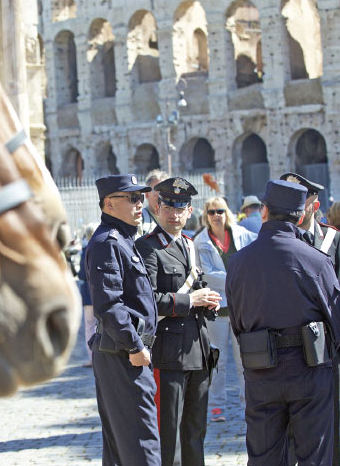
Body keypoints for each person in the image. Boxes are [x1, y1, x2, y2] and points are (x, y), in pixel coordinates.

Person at [226, 179, 340, 465]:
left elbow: (237, 320)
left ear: (264, 212)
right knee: (314, 455)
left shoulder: (239, 261)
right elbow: (337, 321)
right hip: (309, 370)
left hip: (261, 370)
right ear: (301, 216)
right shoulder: (316, 260)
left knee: (265, 456)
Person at [136, 177, 221, 466]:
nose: (175, 214)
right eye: (169, 207)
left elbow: (197, 285)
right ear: (158, 208)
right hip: (167, 355)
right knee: (168, 433)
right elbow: (146, 301)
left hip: (198, 351)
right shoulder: (147, 248)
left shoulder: (190, 244)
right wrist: (189, 301)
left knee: (195, 432)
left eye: (181, 208)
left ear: (189, 210)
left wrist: (208, 301)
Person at [85, 173, 161, 466]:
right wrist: (134, 347)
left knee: (122, 447)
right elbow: (109, 304)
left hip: (123, 352)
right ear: (109, 204)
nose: (139, 204)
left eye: (141, 197)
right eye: (132, 198)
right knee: (141, 444)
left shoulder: (123, 240)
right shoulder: (108, 242)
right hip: (123, 354)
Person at [280, 172, 340, 466]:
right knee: (288, 422)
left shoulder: (332, 239)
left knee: (327, 419)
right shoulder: (278, 240)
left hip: (326, 344)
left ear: (313, 205)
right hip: (287, 342)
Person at [194, 196, 257, 422]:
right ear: (206, 216)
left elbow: (256, 255)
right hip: (217, 310)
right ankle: (217, 406)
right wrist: (239, 276)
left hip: (242, 307)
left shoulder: (243, 235)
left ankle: (249, 404)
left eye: (220, 211)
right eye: (211, 212)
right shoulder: (200, 241)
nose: (216, 216)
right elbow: (206, 274)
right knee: (217, 361)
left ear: (227, 212)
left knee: (245, 360)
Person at [77, 222, 97, 367]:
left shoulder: (86, 249)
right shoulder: (103, 246)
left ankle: (92, 357)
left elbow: (82, 274)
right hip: (99, 293)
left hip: (88, 295)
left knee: (90, 326)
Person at [137, 169, 168, 238]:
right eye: (157, 190)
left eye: (165, 189)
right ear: (147, 195)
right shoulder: (140, 219)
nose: (162, 194)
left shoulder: (173, 218)